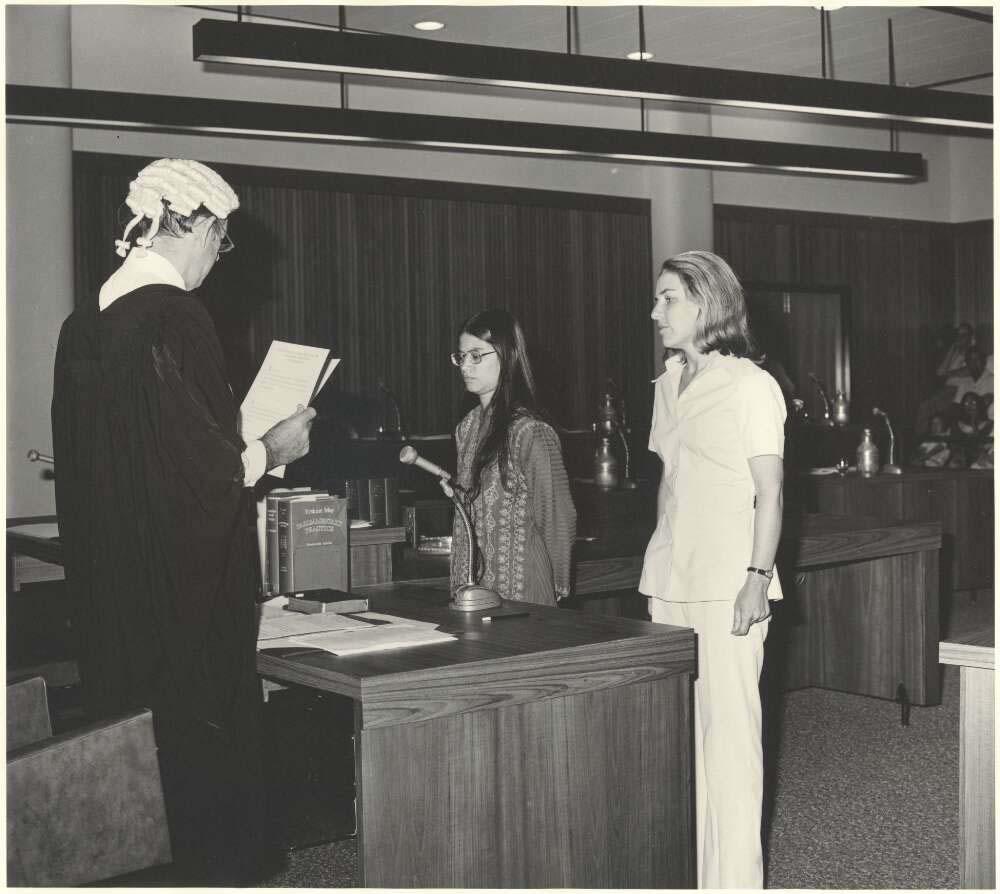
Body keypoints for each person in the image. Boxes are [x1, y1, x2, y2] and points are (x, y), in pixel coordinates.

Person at [51, 158, 316, 883]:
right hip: (183, 609)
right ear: (189, 224)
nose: (216, 258)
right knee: (203, 796)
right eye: (219, 239)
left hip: (114, 602)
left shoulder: (85, 325)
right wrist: (272, 447)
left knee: (139, 793)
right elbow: (204, 472)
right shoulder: (177, 318)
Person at [639, 250, 785, 889]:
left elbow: (771, 493)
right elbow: (671, 485)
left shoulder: (752, 385)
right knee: (683, 743)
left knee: (730, 742)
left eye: (668, 298)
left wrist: (756, 577)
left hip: (730, 584)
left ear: (707, 303)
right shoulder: (666, 385)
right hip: (669, 580)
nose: (656, 312)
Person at [444, 308, 576, 605]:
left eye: (477, 356)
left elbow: (557, 516)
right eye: (461, 357)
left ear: (507, 355)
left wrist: (560, 586)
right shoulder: (466, 428)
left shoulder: (531, 432)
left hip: (526, 588)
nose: (466, 365)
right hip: (476, 589)